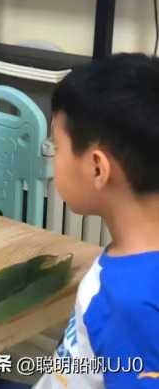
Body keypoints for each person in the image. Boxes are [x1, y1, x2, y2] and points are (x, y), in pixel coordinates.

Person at [34, 54, 159, 388]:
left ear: (97, 168)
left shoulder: (128, 303)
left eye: (57, 147)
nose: (53, 157)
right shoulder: (132, 266)